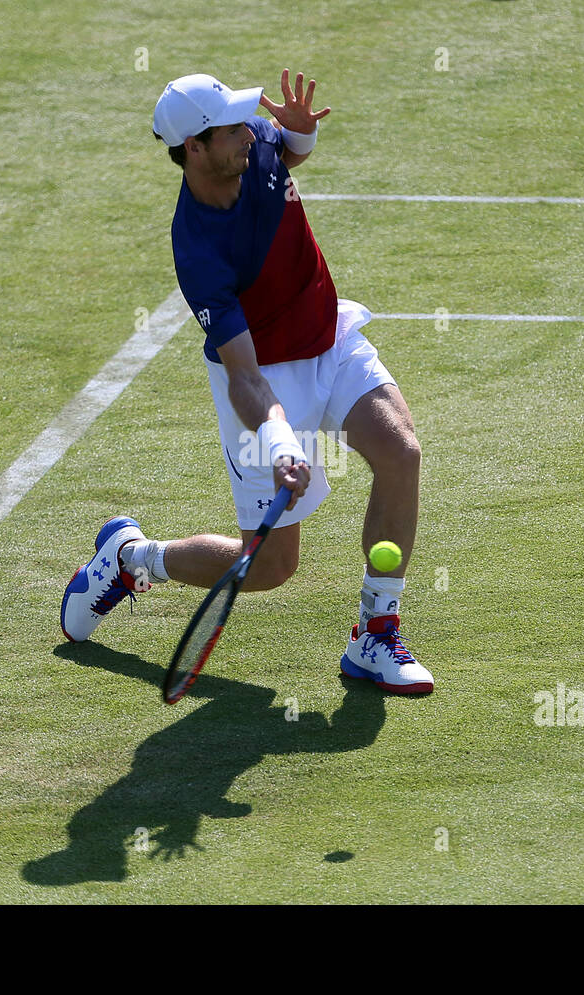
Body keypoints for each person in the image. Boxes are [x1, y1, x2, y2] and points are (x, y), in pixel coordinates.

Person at [62, 70, 432, 694]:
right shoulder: (199, 251)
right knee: (267, 568)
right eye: (230, 128)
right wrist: (284, 444)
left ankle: (376, 633)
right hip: (264, 382)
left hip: (328, 338)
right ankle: (132, 559)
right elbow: (245, 377)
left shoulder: (251, 143)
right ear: (195, 150)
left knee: (400, 451)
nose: (249, 132)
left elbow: (284, 152)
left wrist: (302, 137)